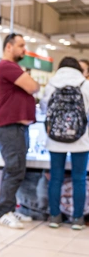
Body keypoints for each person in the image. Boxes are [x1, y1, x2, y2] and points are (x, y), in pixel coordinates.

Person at [0, 33, 40, 229]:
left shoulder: (12, 67)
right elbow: (33, 86)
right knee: (13, 169)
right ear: (9, 47)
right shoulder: (6, 66)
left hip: (17, 127)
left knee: (17, 169)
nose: (24, 49)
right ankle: (4, 212)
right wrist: (32, 85)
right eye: (21, 45)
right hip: (9, 126)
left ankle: (10, 209)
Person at [41, 57, 89, 229]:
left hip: (55, 139)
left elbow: (45, 108)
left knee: (56, 178)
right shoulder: (84, 84)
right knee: (79, 178)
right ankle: (77, 219)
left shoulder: (52, 84)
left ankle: (55, 217)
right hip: (81, 139)